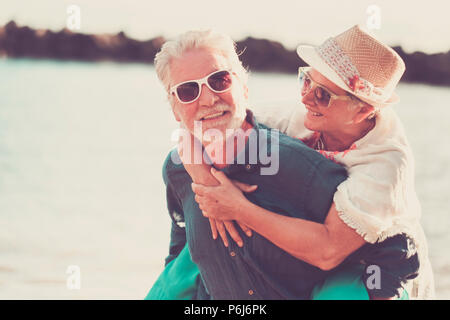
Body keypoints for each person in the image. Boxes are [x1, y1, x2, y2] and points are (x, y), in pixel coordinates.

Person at [146, 28, 420, 300]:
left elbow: (328, 250)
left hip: (377, 252)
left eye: (323, 94)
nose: (306, 98)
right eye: (306, 81)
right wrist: (203, 179)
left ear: (363, 110)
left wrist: (237, 207)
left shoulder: (386, 164)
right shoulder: (302, 115)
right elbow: (216, 117)